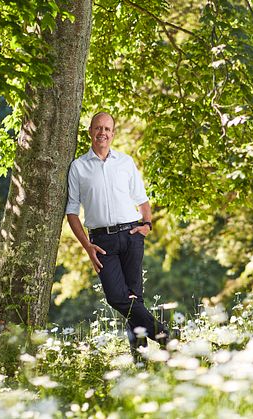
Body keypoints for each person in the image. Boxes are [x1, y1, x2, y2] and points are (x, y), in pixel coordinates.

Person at [65, 112, 172, 359]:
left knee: (134, 299)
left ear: (113, 133)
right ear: (90, 131)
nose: (103, 132)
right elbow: (72, 212)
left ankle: (141, 361)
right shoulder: (78, 167)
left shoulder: (125, 162)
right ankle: (166, 337)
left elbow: (142, 200)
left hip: (132, 235)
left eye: (107, 129)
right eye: (98, 128)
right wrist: (87, 247)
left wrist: (146, 225)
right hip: (102, 243)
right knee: (117, 297)